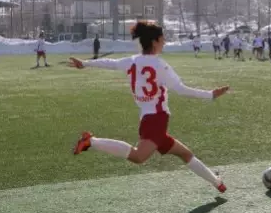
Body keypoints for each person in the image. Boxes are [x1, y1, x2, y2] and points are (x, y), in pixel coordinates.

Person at [69, 21, 230, 193]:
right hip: (157, 119)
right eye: (163, 39)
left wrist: (85, 63)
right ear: (154, 42)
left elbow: (110, 63)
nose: (165, 42)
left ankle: (217, 182)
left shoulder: (132, 61)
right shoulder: (160, 65)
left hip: (149, 118)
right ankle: (90, 141)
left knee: (185, 154)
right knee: (139, 157)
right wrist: (210, 95)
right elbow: (181, 90)